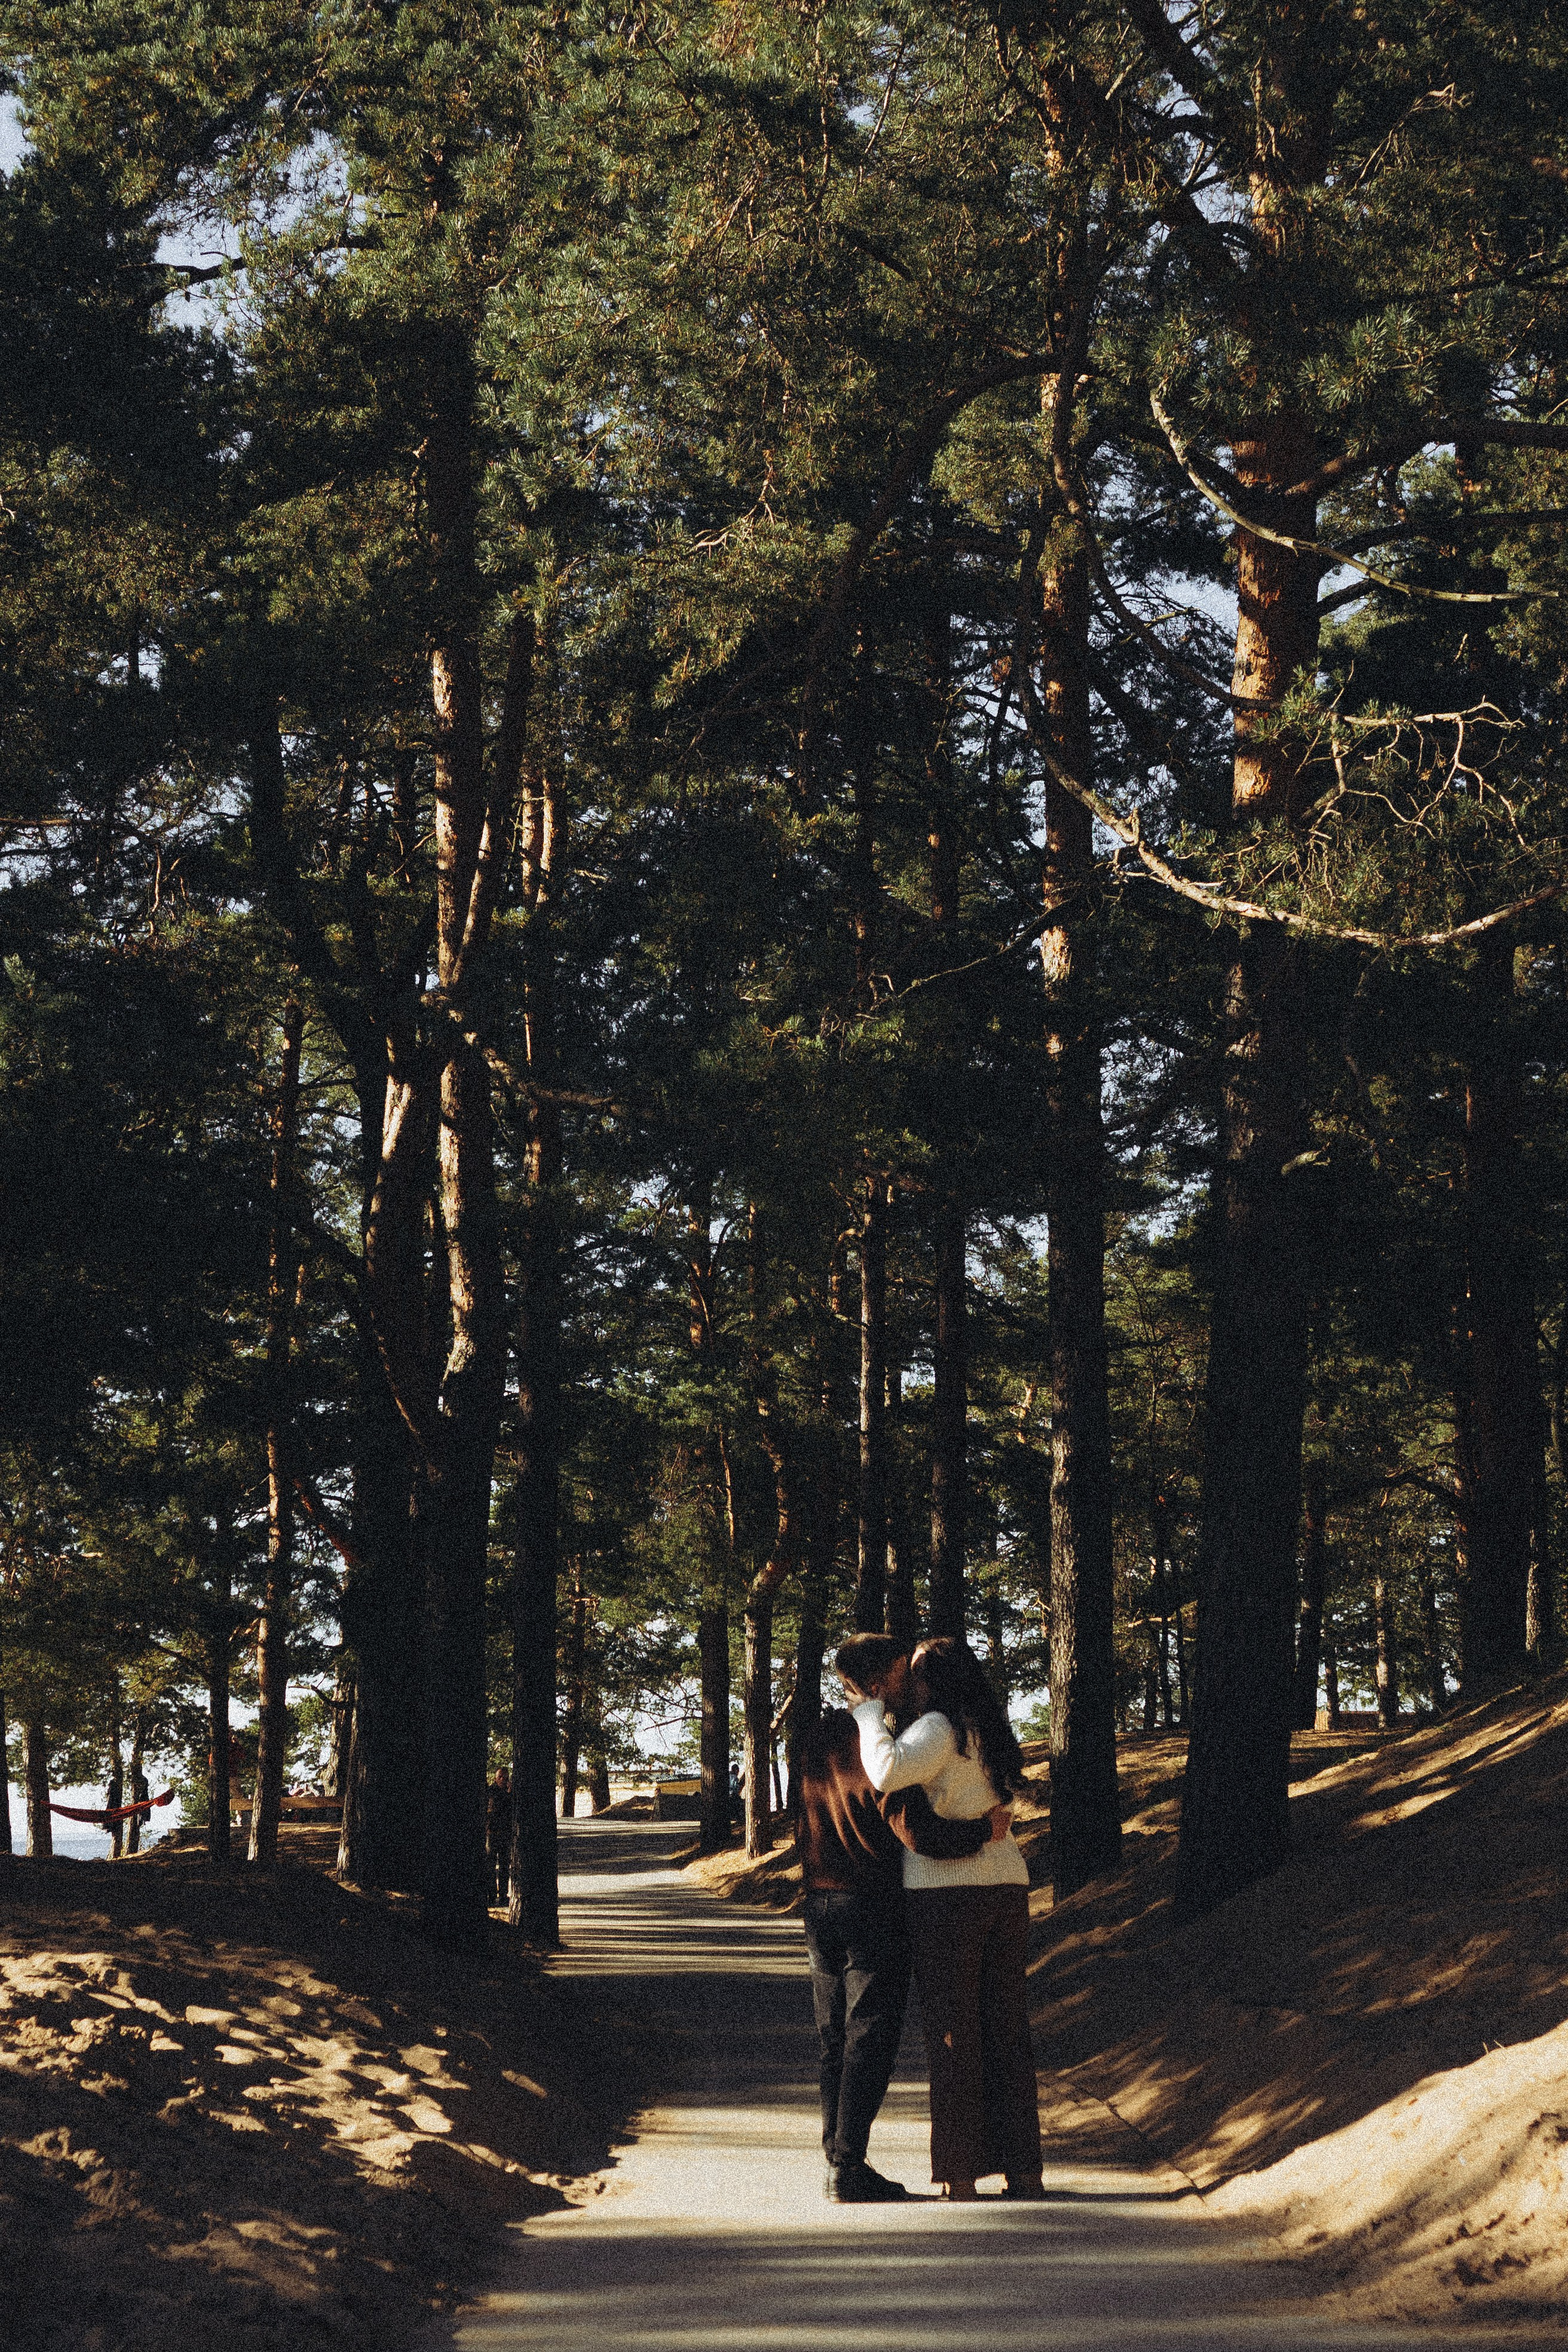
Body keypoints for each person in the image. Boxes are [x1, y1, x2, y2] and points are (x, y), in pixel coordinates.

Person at [795, 1632, 1010, 2203]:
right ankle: (847, 2165)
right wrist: (982, 1831)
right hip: (873, 1901)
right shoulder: (881, 1744)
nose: (909, 1684)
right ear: (879, 1679)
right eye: (900, 1672)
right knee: (871, 2033)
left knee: (832, 2034)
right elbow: (916, 1830)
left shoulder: (817, 1737)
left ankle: (836, 2157)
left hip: (819, 1899)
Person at [845, 1634, 1043, 2203]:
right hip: (1007, 1885)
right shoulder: (989, 1730)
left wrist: (866, 1715)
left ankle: (961, 2174)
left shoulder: (937, 1728)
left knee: (954, 2034)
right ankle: (1024, 2170)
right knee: (1007, 2030)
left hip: (947, 1893)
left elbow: (884, 1772)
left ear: (931, 1679)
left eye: (916, 1671)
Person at [486, 1765, 512, 1907]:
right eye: (500, 1777)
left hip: (505, 1835)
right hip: (491, 1834)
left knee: (504, 1867)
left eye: (505, 1777)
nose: (502, 1779)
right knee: (490, 1867)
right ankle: (491, 1895)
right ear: (495, 1778)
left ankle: (503, 1895)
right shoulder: (490, 1792)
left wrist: (510, 1793)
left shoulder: (510, 1794)